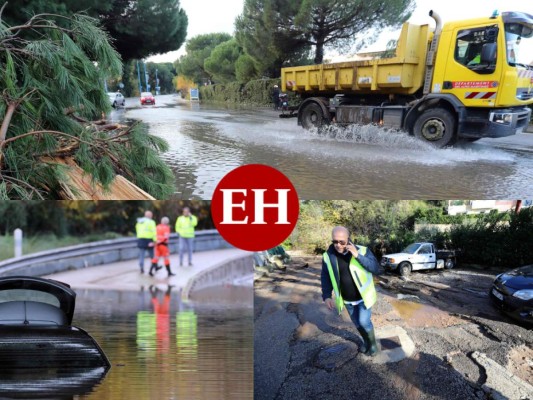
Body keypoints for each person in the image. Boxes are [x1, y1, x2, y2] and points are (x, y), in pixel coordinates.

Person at [321, 226, 382, 356]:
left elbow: (376, 268)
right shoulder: (328, 256)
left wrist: (357, 255)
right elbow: (325, 277)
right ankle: (366, 342)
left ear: (348, 239)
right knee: (357, 324)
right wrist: (326, 296)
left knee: (364, 322)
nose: (338, 245)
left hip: (363, 298)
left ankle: (373, 345)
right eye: (335, 241)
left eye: (341, 242)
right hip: (346, 300)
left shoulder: (363, 251)